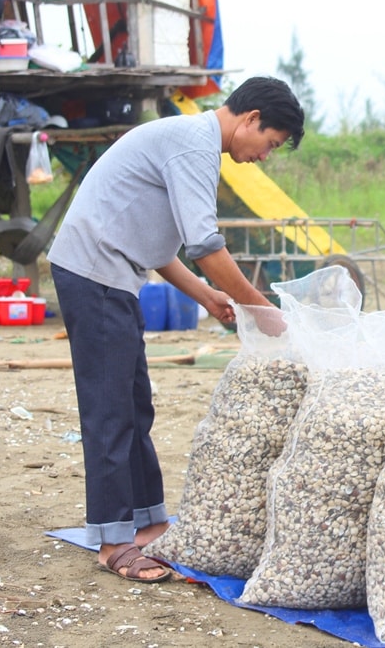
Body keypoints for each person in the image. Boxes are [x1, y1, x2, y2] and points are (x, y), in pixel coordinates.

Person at [47, 76, 305, 582]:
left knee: (134, 403)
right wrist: (258, 307)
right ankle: (115, 543)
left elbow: (164, 246)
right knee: (110, 409)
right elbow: (206, 245)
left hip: (113, 276)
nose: (264, 156)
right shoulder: (194, 146)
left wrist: (208, 296)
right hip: (93, 272)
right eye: (270, 144)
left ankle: (146, 524)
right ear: (251, 120)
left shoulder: (190, 142)